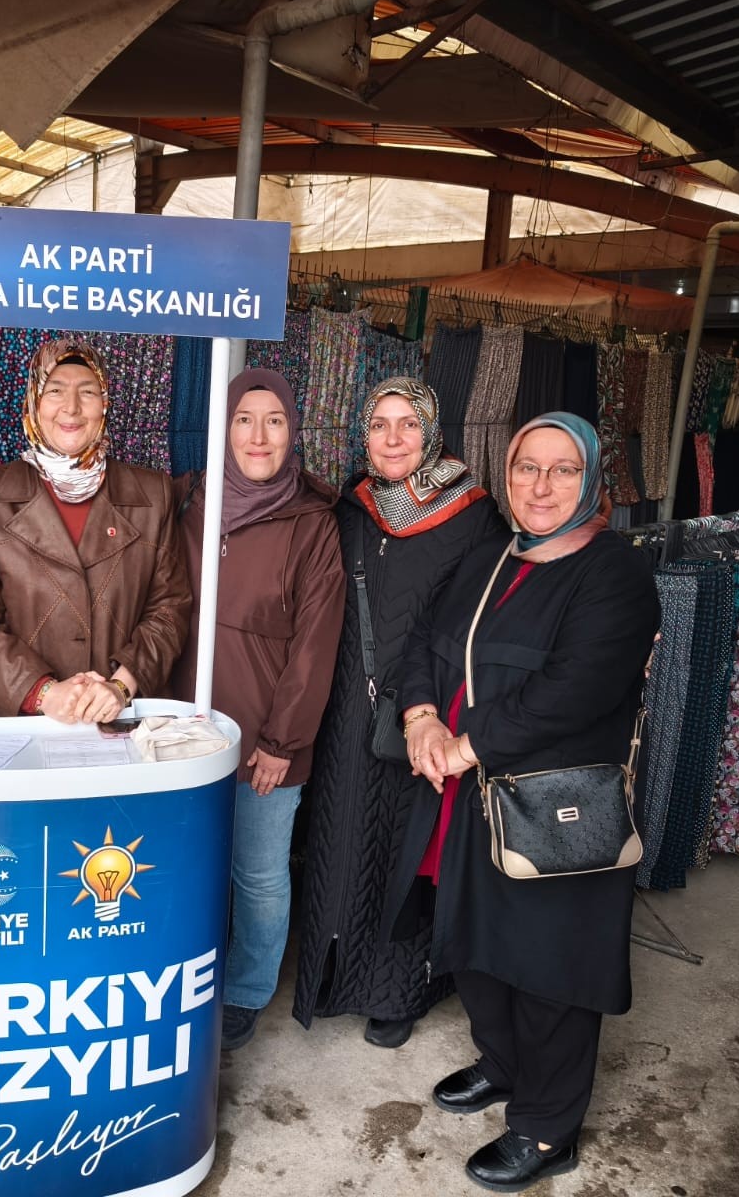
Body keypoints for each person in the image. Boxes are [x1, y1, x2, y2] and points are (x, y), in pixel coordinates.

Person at [391, 411, 659, 1192]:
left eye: (562, 470)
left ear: (592, 480)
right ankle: (504, 1063)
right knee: (476, 943)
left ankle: (548, 1127)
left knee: (549, 967)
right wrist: (420, 717)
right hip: (468, 797)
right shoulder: (490, 555)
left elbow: (575, 689)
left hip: (554, 806)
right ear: (505, 474)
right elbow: (424, 640)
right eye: (525, 468)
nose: (541, 486)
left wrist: (465, 746)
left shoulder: (615, 573)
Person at [293, 377, 502, 1048]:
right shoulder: (350, 506)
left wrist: (433, 708)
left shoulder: (473, 515)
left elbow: (476, 624)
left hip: (426, 712)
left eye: (408, 424)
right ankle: (330, 971)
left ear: (431, 431)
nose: (392, 439)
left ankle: (398, 991)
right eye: (379, 424)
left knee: (407, 850)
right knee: (339, 838)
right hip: (345, 708)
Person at [168, 368, 344, 1052]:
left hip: (266, 736)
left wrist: (282, 741)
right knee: (189, 866)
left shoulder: (310, 522)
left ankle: (245, 989)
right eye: (244, 419)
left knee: (259, 873)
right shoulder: (192, 499)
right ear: (224, 429)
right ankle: (188, 977)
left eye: (274, 420)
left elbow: (315, 644)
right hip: (181, 730)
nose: (259, 436)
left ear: (293, 431)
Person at [0, 338, 190, 721]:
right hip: (22, 723)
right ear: (33, 401)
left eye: (88, 392)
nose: (72, 407)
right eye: (55, 391)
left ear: (105, 402)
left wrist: (121, 686)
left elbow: (169, 608)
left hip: (121, 718)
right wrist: (43, 693)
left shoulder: (153, 494)